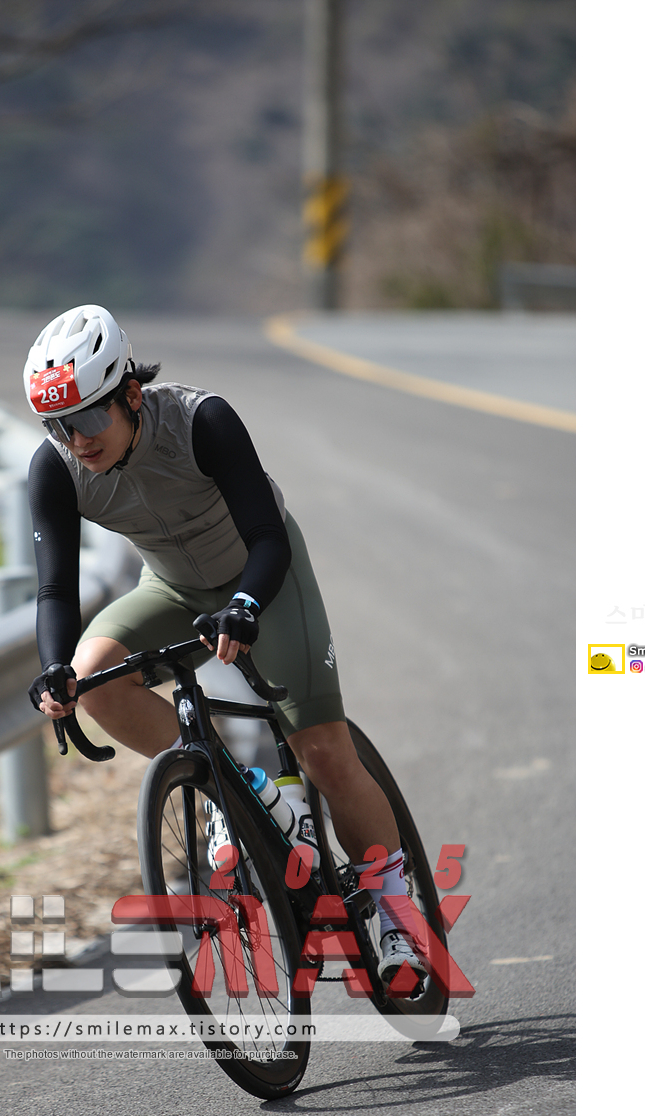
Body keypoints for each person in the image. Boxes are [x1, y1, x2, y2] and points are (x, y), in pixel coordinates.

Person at [22, 303, 424, 986]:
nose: (76, 440)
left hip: (264, 577)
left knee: (323, 751)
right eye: (57, 425)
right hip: (173, 587)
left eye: (87, 417)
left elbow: (267, 536)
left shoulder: (201, 421)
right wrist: (55, 669)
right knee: (94, 678)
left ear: (130, 394)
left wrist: (245, 606)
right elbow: (56, 590)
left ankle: (395, 912)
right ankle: (232, 788)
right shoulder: (56, 467)